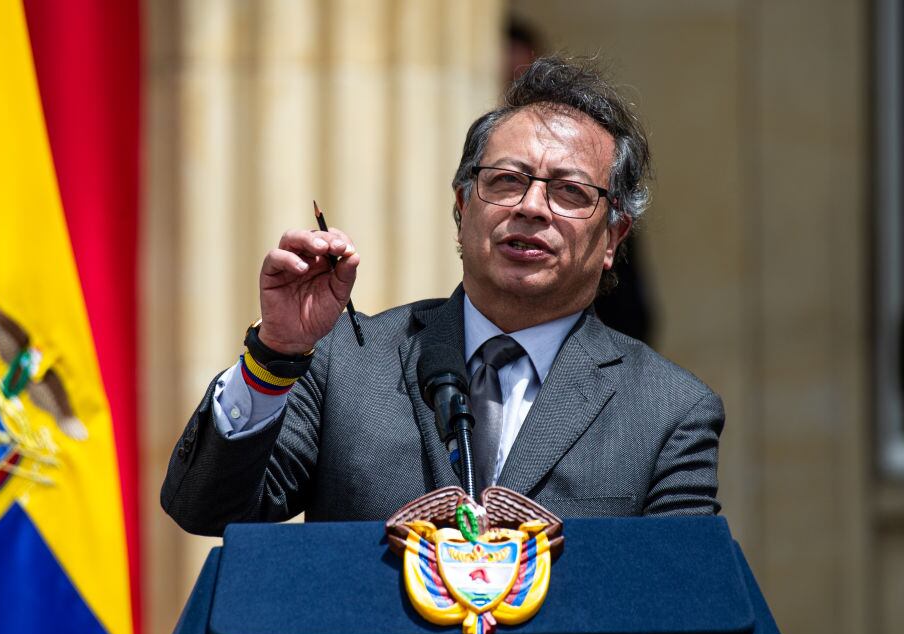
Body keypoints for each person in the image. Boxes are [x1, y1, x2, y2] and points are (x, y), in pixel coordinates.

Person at [161, 56, 723, 537]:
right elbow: (205, 507)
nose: (530, 206)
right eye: (505, 180)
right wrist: (274, 354)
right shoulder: (347, 361)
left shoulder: (669, 410)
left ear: (613, 239)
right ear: (461, 211)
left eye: (570, 191)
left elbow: (684, 605)